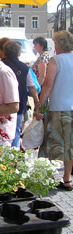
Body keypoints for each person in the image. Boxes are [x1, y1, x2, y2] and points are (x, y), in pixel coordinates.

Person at [35, 30, 73, 191]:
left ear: (58, 44)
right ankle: (67, 179)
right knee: (69, 145)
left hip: (58, 108)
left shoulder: (55, 60)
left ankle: (48, 176)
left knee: (51, 144)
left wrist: (40, 107)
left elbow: (48, 84)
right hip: (72, 108)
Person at [0, 39, 39, 148]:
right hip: (19, 104)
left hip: (0, 105)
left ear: (4, 52)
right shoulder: (25, 68)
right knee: (15, 132)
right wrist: (37, 104)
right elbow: (32, 87)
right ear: (19, 53)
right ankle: (14, 157)